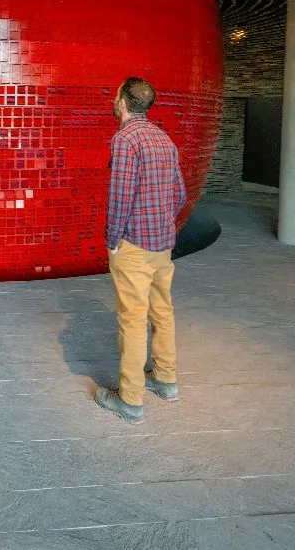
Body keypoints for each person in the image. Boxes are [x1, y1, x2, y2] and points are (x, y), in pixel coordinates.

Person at [95, 77, 186, 423]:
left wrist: (112, 240)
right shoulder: (164, 139)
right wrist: (163, 223)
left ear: (121, 101)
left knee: (132, 320)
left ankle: (130, 399)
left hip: (133, 244)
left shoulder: (126, 140)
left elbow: (120, 197)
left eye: (115, 92)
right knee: (162, 311)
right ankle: (165, 380)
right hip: (162, 244)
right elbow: (178, 194)